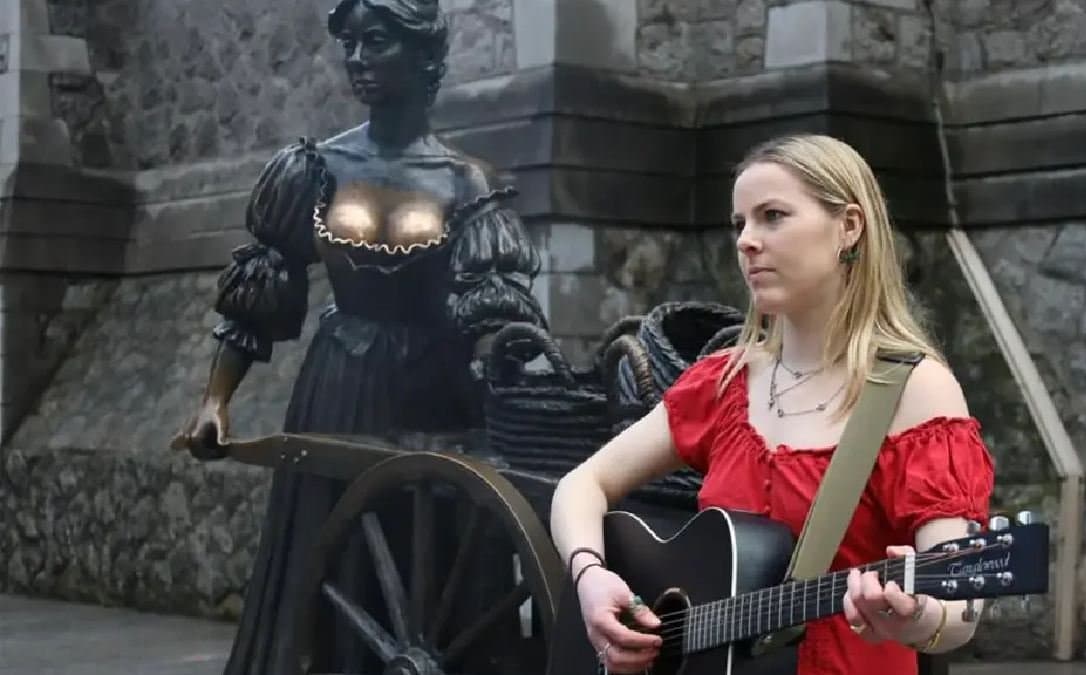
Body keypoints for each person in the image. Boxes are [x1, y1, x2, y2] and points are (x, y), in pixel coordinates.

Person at [171, 1, 546, 673]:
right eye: (350, 43)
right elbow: (261, 291)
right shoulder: (316, 168)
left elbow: (496, 316)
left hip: (438, 401)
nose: (357, 59)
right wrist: (215, 400)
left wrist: (516, 386)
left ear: (424, 54)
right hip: (340, 391)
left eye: (377, 42)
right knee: (333, 555)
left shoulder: (465, 182)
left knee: (431, 566)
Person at [549, 133, 995, 675]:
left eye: (772, 216)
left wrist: (918, 617)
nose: (746, 241)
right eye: (740, 223)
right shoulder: (724, 382)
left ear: (849, 227)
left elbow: (958, 604)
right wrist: (590, 576)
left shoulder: (915, 390)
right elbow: (582, 485)